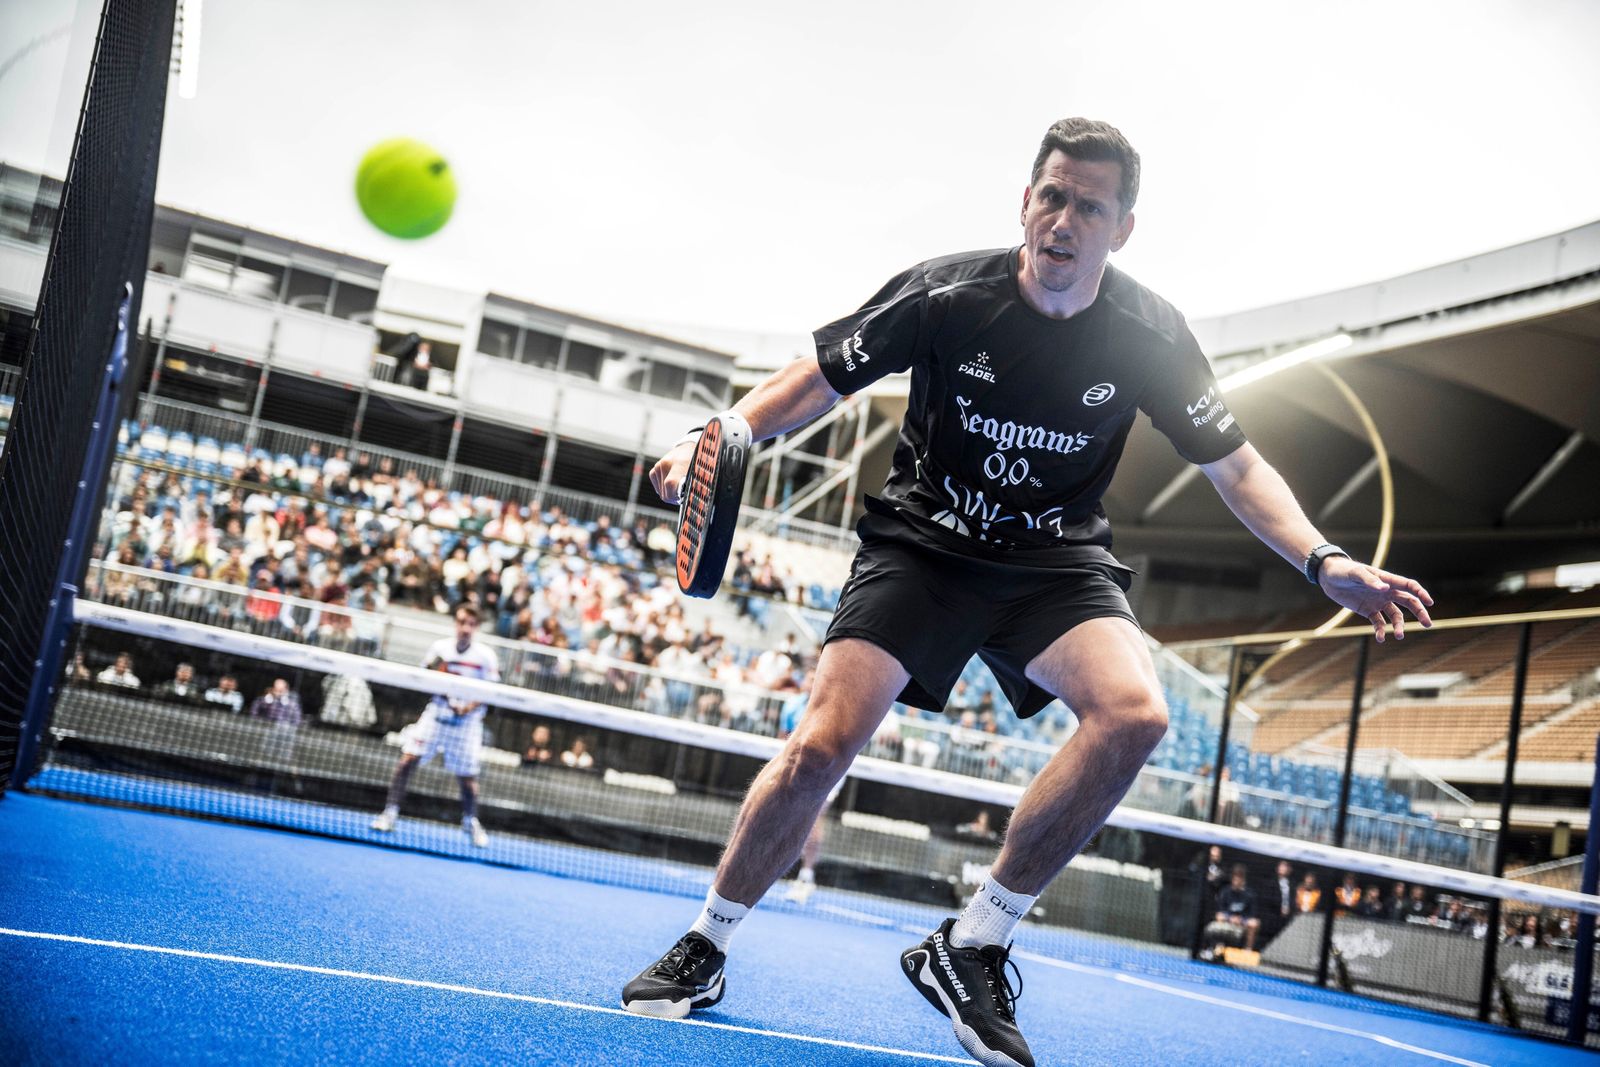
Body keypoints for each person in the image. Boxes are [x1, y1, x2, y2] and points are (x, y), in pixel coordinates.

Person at [620, 117, 1434, 1067]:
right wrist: (721, 434)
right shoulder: (947, 293)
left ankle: (974, 941)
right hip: (924, 543)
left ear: (1121, 228)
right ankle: (706, 944)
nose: (1063, 219)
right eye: (1051, 195)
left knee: (1135, 715)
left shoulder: (1150, 334)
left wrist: (1324, 560)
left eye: (1089, 205)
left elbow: (1237, 466)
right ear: (1026, 201)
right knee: (820, 745)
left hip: (1053, 562)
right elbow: (819, 377)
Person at [370, 605, 499, 848]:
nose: (465, 628)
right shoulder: (440, 649)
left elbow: (492, 691)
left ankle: (471, 821)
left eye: (471, 624)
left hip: (467, 725)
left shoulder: (485, 656)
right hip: (436, 716)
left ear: (477, 627)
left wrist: (467, 707)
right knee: (406, 762)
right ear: (455, 623)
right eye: (462, 622)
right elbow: (426, 676)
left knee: (468, 780)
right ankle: (390, 813)